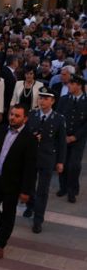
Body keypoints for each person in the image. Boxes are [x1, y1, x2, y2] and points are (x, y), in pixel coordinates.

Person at [0, 104, 37, 259]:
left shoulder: (30, 139)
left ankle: (0, 243)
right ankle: (5, 227)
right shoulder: (1, 130)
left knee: (9, 213)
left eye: (17, 115)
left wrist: (26, 191)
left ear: (25, 119)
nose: (13, 117)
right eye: (11, 114)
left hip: (13, 184)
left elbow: (30, 168)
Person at [23, 87, 66, 233]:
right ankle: (30, 205)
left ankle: (38, 219)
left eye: (46, 98)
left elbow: (61, 142)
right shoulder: (32, 114)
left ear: (53, 101)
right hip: (31, 157)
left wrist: (60, 162)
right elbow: (24, 136)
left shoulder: (59, 119)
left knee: (43, 190)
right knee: (29, 185)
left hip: (47, 157)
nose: (42, 101)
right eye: (41, 97)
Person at [55, 74, 87, 203]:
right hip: (64, 137)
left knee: (74, 165)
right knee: (62, 163)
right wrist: (62, 135)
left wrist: (75, 136)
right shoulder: (63, 99)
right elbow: (58, 117)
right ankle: (63, 187)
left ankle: (72, 190)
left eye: (72, 84)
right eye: (68, 83)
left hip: (78, 139)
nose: (69, 86)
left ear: (79, 85)